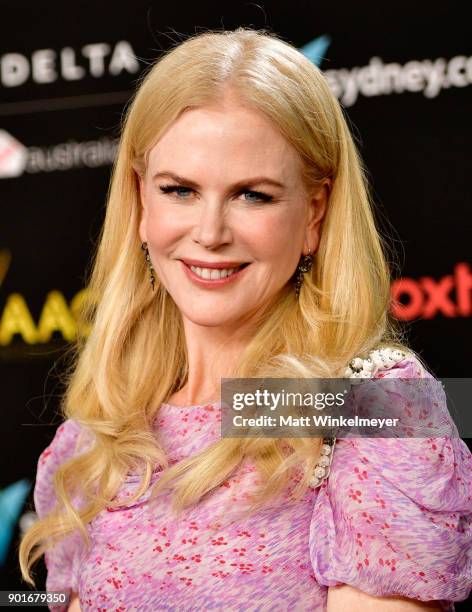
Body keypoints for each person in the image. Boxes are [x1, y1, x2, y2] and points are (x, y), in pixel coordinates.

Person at [19, 27, 471, 611]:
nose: (209, 232)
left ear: (314, 213)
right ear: (140, 203)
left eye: (252, 195)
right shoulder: (96, 442)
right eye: (179, 190)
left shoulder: (375, 407)